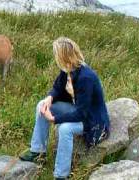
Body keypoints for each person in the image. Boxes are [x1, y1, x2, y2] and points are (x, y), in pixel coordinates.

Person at [19, 37, 110, 180]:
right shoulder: (68, 69)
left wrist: (55, 119)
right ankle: (37, 152)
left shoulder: (86, 77)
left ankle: (61, 175)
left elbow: (81, 113)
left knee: (65, 129)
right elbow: (57, 88)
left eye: (57, 55)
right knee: (41, 105)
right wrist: (50, 98)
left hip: (92, 121)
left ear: (64, 56)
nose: (55, 58)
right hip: (77, 110)